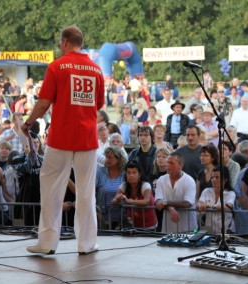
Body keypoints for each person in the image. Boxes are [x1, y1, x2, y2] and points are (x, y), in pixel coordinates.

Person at [22, 25, 105, 255]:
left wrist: (28, 123)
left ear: (65, 42)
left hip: (60, 139)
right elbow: (98, 105)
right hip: (87, 140)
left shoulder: (57, 66)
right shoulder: (97, 70)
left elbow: (44, 102)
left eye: (60, 42)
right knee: (86, 193)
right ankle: (86, 244)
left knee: (50, 189)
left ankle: (47, 243)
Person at [155, 153, 198, 233]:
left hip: (187, 227)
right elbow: (158, 203)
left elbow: (187, 203)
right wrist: (171, 208)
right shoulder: (161, 180)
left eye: (171, 163)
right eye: (167, 162)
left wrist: (166, 202)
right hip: (167, 227)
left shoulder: (189, 180)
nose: (168, 165)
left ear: (180, 165)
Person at [112, 161, 157, 229]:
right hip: (133, 226)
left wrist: (130, 201)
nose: (131, 175)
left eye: (134, 172)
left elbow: (147, 201)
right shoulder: (123, 186)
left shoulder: (145, 185)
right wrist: (118, 198)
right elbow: (113, 202)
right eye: (129, 172)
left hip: (149, 226)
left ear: (139, 175)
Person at [197, 166, 236, 234]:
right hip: (209, 231)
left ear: (225, 180)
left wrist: (212, 206)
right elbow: (199, 203)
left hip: (226, 231)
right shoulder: (206, 191)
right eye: (212, 177)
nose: (213, 180)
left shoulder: (230, 193)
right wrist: (200, 206)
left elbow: (229, 206)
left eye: (217, 177)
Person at [95, 146, 127, 229]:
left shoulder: (125, 174)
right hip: (103, 218)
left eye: (110, 157)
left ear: (118, 159)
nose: (107, 160)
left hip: (122, 218)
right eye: (106, 157)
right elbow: (93, 189)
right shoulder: (100, 172)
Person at [149, 147, 171, 232]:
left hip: (166, 207)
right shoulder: (152, 175)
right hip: (155, 208)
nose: (160, 159)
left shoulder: (170, 175)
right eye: (158, 156)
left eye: (164, 157)